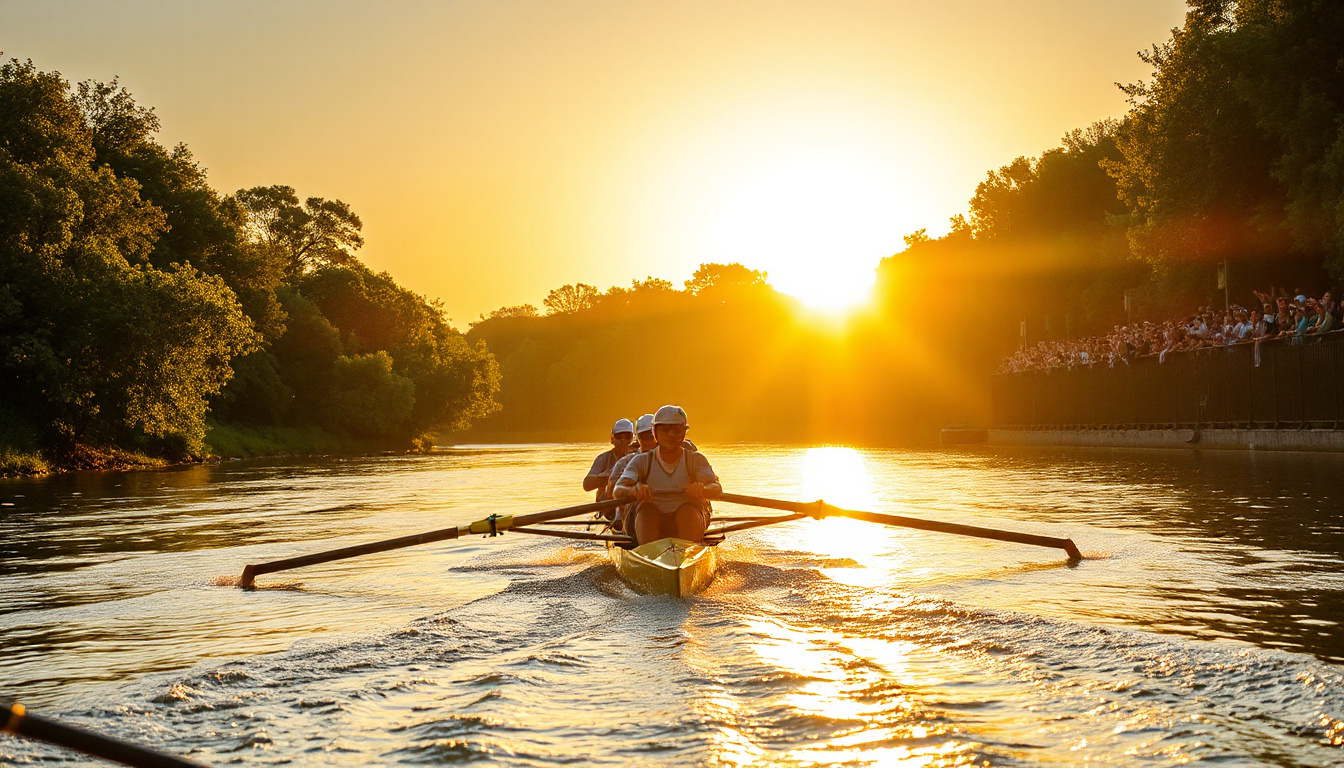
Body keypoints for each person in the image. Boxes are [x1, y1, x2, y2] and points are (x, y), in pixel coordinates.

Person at [612, 405, 721, 545]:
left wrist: (703, 489)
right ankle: (651, 554)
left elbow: (715, 488)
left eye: (676, 430)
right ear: (655, 432)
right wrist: (634, 490)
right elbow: (618, 490)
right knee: (647, 512)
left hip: (687, 518)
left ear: (684, 433)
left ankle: (686, 552)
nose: (670, 434)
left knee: (687, 512)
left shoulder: (695, 460)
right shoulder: (641, 461)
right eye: (664, 430)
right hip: (647, 519)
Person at [583, 418, 635, 502]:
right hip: (608, 506)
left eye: (627, 437)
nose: (623, 440)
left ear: (633, 438)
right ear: (612, 439)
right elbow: (587, 485)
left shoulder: (640, 457)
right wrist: (606, 476)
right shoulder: (603, 458)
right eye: (619, 436)